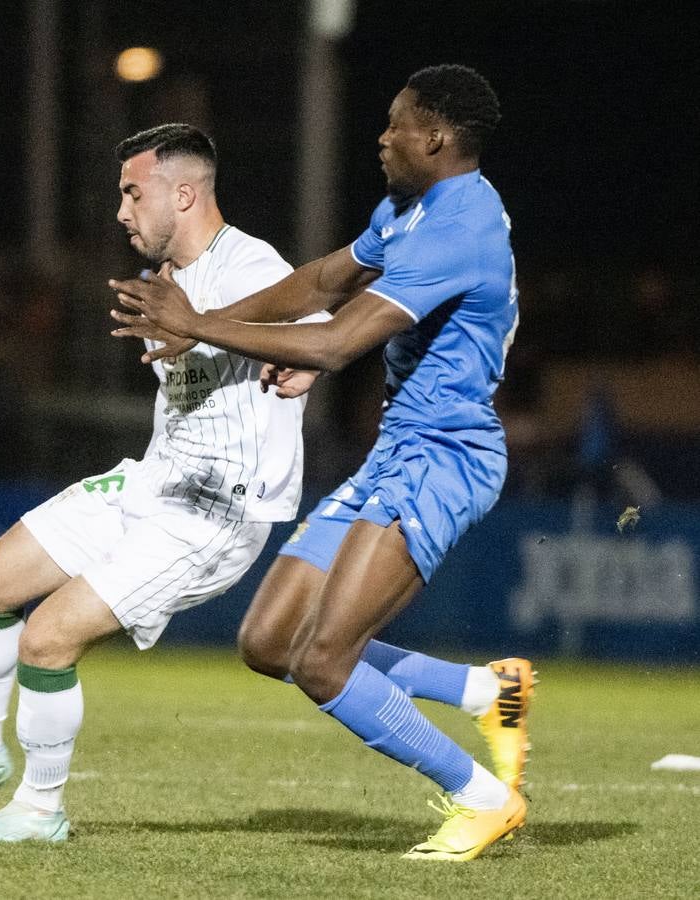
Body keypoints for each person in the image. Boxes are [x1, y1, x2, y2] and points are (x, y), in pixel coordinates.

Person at [110, 65, 534, 862]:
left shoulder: (458, 227)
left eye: (397, 123)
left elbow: (337, 342)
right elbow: (318, 286)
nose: (382, 137)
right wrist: (202, 322)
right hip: (397, 451)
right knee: (271, 641)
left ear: (436, 138)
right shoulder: (410, 208)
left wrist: (201, 324)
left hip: (445, 457)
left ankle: (485, 798)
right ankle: (487, 689)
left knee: (324, 661)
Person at [0, 123, 326, 841]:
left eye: (132, 193)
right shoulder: (159, 285)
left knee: (47, 638)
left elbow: (320, 325)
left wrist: (303, 361)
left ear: (184, 194)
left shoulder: (248, 264)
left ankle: (39, 809)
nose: (121, 211)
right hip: (152, 485)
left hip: (215, 513)